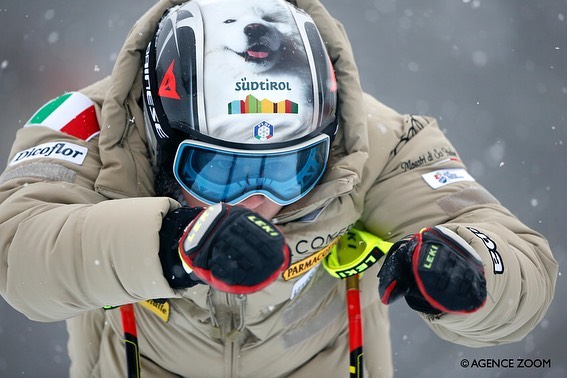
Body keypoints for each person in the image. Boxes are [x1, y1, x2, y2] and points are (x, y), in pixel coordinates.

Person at [0, 0, 558, 377]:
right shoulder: (83, 125)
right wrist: (172, 242)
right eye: (220, 171)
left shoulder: (372, 138)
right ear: (157, 131)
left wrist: (476, 270)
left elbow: (521, 265)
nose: (258, 202)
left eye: (291, 170)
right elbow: (18, 253)